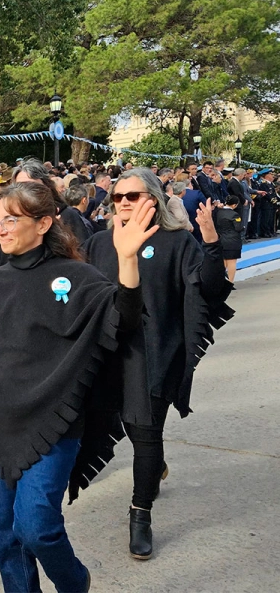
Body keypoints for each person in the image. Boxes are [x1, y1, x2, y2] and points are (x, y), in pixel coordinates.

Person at [0, 180, 153, 593]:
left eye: (12, 218)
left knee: (36, 528)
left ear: (44, 223)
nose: (1, 228)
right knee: (6, 535)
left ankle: (75, 582)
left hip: (53, 425)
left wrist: (128, 261)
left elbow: (124, 320)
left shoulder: (77, 277)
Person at [84, 168, 233, 561]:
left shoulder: (176, 241)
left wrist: (213, 241)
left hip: (153, 353)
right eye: (118, 197)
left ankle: (140, 514)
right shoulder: (99, 243)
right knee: (130, 427)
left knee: (146, 432)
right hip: (106, 354)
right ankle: (156, 465)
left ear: (152, 198)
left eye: (133, 195)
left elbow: (211, 289)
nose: (125, 203)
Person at [214, 195, 244, 282]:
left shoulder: (218, 213)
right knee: (232, 262)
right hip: (233, 241)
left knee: (223, 262)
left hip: (221, 239)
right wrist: (243, 227)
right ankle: (230, 282)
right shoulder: (234, 214)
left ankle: (221, 281)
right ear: (234, 205)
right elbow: (238, 228)